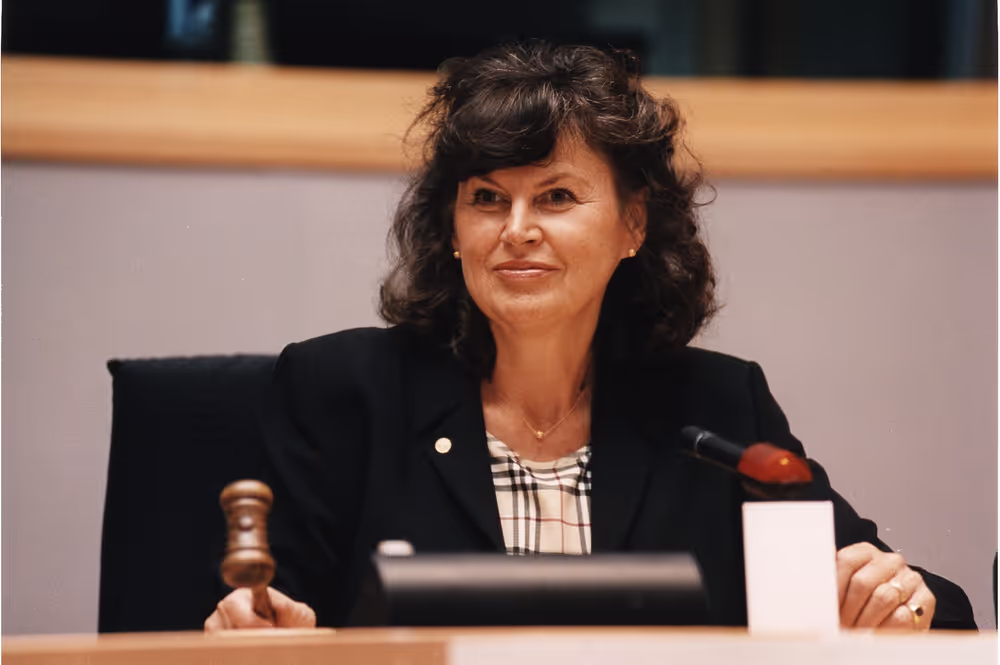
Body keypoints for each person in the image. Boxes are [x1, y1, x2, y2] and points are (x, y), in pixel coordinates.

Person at [204, 42, 976, 632]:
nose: (516, 230)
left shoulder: (716, 407)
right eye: (486, 198)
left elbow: (924, 608)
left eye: (556, 196)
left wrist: (898, 601)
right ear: (453, 230)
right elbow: (259, 617)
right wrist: (263, 627)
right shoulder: (340, 392)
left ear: (632, 224)